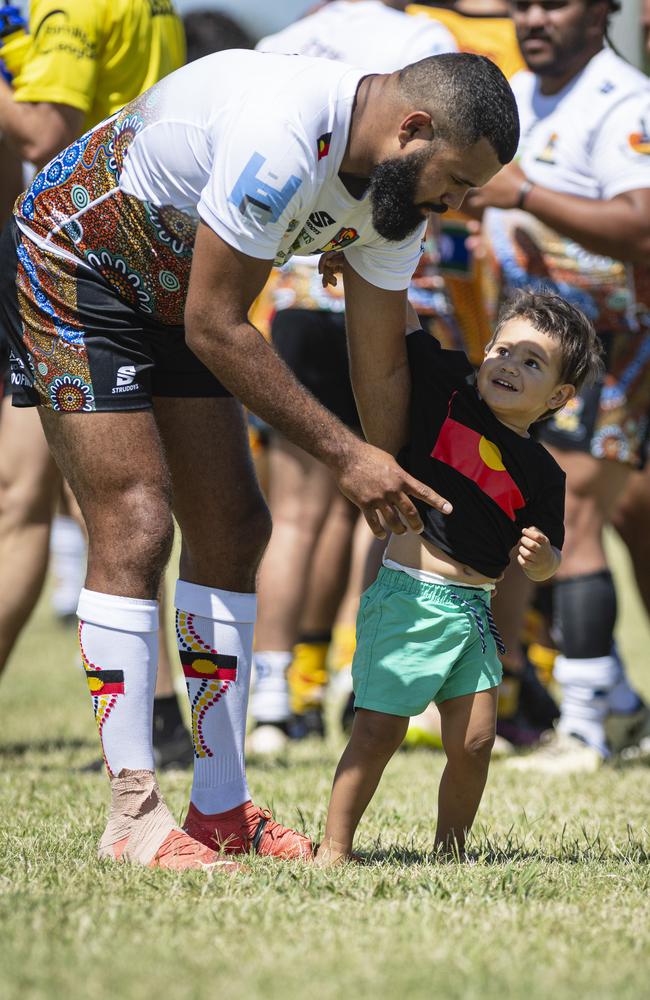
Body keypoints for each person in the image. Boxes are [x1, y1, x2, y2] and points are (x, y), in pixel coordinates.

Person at [0, 50, 519, 870]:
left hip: (182, 294)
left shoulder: (396, 198)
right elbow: (217, 324)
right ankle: (133, 815)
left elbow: (378, 360)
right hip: (75, 269)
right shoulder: (281, 130)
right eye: (454, 181)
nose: (456, 206)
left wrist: (387, 484)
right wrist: (347, 456)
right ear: (412, 131)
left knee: (235, 530)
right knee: (135, 524)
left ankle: (220, 810)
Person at [315, 290, 602, 865]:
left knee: (474, 743)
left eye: (531, 362)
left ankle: (450, 853)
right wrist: (369, 263)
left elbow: (551, 561)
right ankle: (333, 849)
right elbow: (408, 322)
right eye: (501, 349)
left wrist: (541, 557)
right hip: (408, 600)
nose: (508, 365)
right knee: (377, 733)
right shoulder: (450, 394)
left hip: (473, 614)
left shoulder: (545, 474)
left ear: (560, 397)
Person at [250, 0, 458, 745]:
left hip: (296, 291)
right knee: (387, 486)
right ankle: (356, 676)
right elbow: (451, 170)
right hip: (387, 293)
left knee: (299, 511)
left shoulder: (283, 40)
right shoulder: (425, 42)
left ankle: (271, 700)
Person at [0, 0, 191, 766]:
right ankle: (164, 716)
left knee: (42, 502)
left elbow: (47, 131)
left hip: (77, 266)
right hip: (134, 255)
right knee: (87, 502)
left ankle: (164, 721)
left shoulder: (70, 1)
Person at [466, 0, 650, 772]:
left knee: (568, 513)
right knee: (610, 524)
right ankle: (617, 706)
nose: (533, 17)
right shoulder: (514, 89)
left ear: (603, 10)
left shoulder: (624, 100)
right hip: (542, 352)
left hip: (615, 350)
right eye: (523, 4)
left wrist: (526, 200)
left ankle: (583, 724)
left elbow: (640, 224)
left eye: (555, 2)